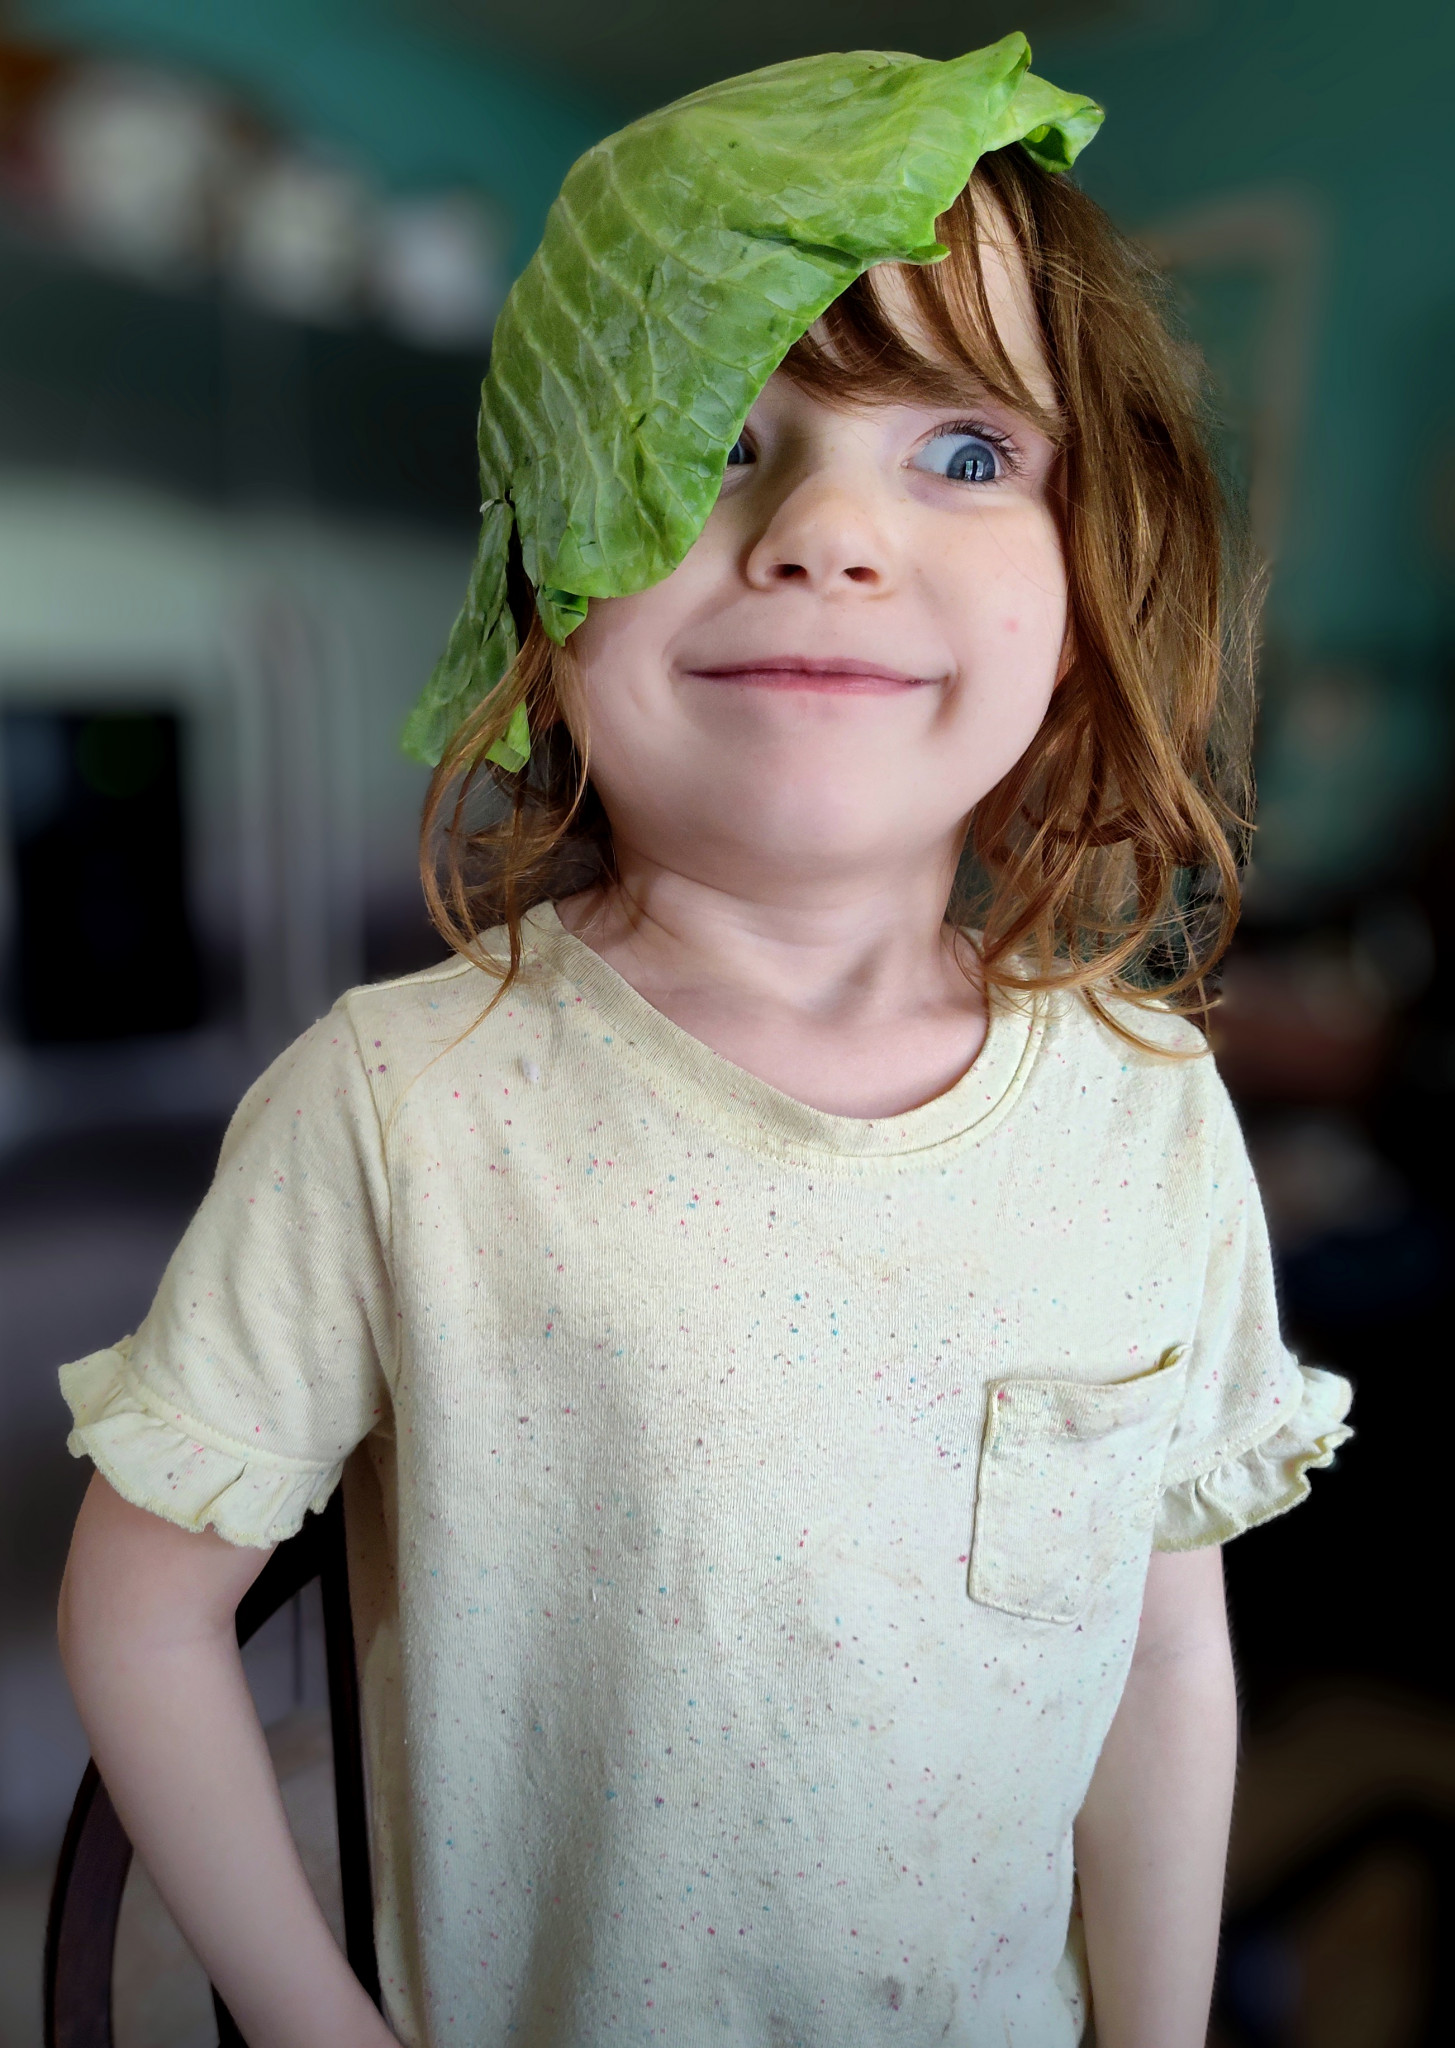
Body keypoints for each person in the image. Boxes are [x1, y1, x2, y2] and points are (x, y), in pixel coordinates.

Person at [56, 34, 1351, 2048]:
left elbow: (1160, 1657)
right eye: (718, 435)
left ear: (1089, 575)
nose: (827, 530)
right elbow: (141, 1615)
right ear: (540, 570)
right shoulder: (399, 1110)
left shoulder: (1149, 1112)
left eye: (962, 453)